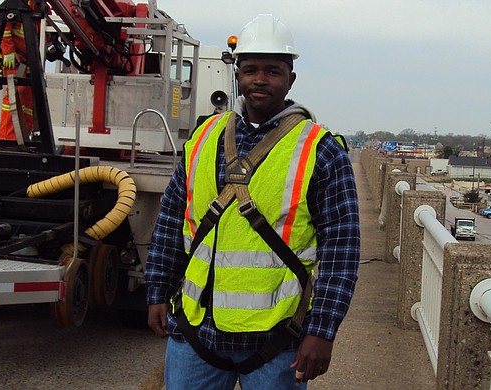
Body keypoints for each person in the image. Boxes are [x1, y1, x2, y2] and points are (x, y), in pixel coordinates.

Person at [145, 14, 360, 390]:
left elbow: (342, 248)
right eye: (251, 69)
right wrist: (157, 291)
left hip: (276, 340)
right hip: (197, 333)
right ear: (238, 75)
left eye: (273, 71)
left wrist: (323, 331)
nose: (260, 79)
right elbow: (170, 221)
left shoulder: (321, 150)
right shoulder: (203, 138)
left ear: (290, 78)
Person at [0, 0, 36, 140]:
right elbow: (4, 22)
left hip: (29, 61)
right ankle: (7, 138)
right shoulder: (18, 2)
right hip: (15, 58)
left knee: (26, 100)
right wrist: (8, 51)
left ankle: (22, 138)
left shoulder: (39, 5)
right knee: (15, 94)